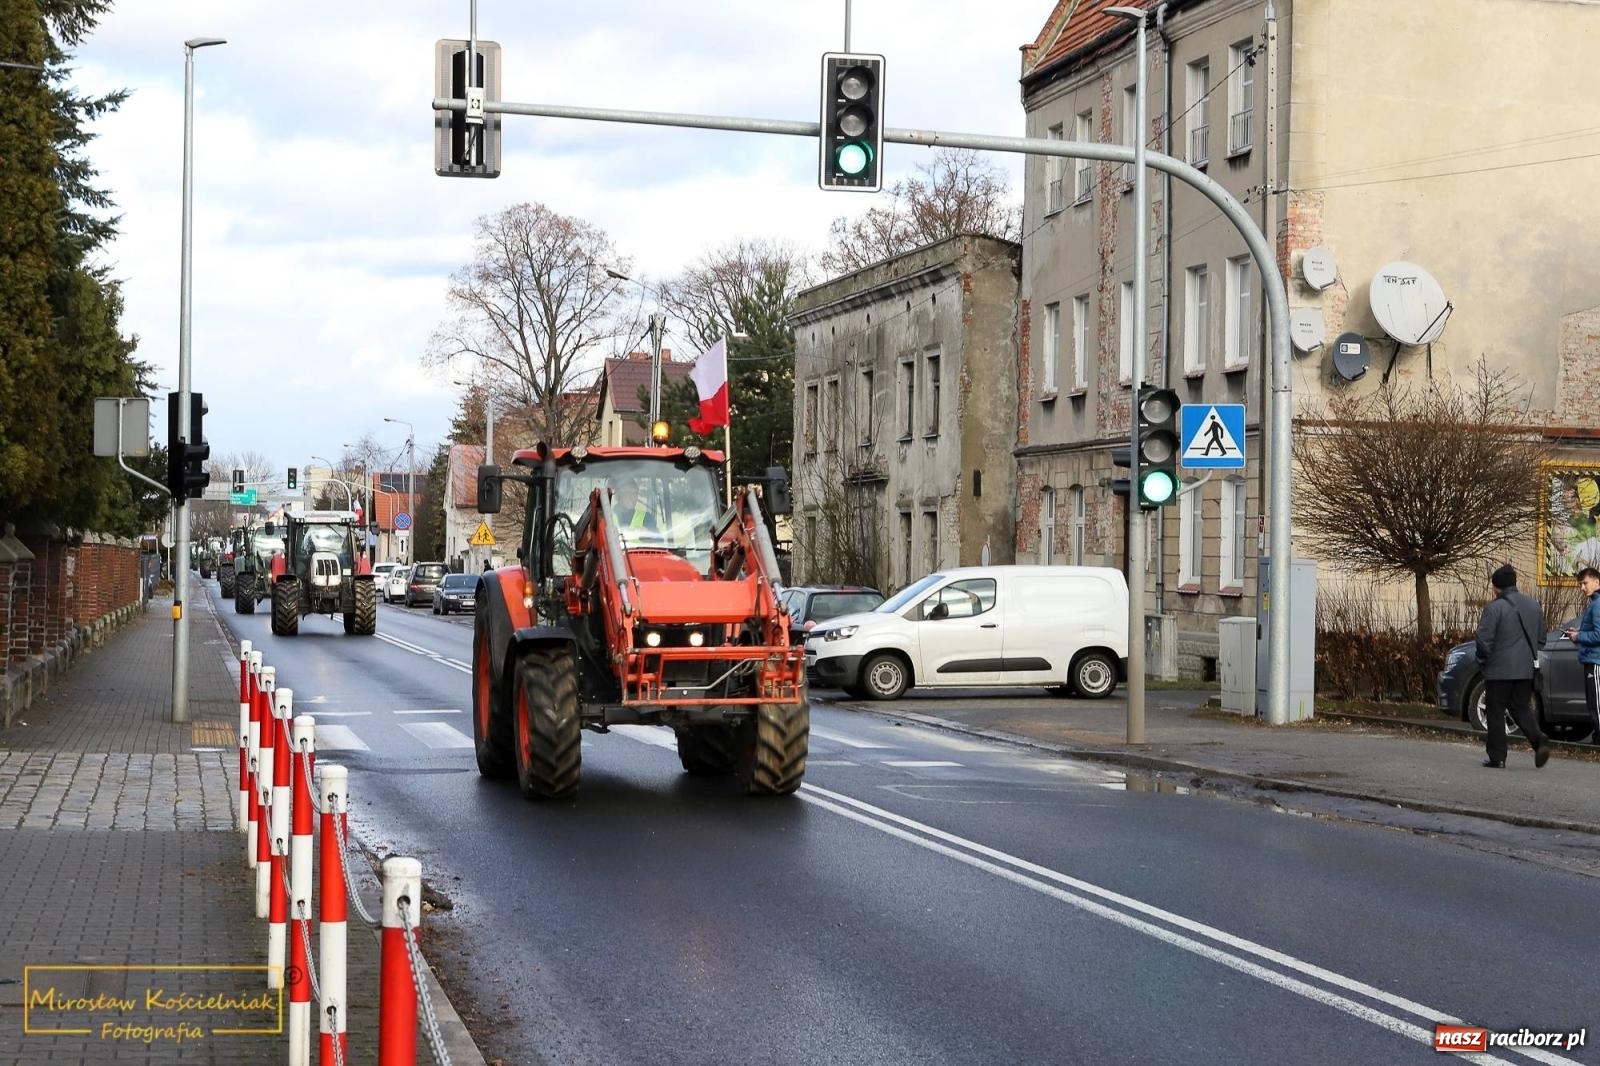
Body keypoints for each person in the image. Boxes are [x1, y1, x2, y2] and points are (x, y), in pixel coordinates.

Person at [1474, 564, 1550, 769]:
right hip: (1525, 669)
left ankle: (1497, 757)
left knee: (1496, 710)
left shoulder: (1494, 607)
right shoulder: (1533, 605)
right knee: (1520, 707)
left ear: (1496, 587)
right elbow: (1541, 639)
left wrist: (1483, 661)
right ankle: (1538, 738)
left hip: (1498, 670)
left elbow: (1483, 640)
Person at [1562, 566, 1600, 743]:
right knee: (1593, 702)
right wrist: (1578, 633)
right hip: (1591, 658)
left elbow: (1599, 635)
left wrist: (1578, 636)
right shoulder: (1595, 603)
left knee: (1596, 703)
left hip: (1596, 661)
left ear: (1596, 581)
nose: (1582, 588)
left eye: (1584, 583)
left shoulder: (1598, 604)